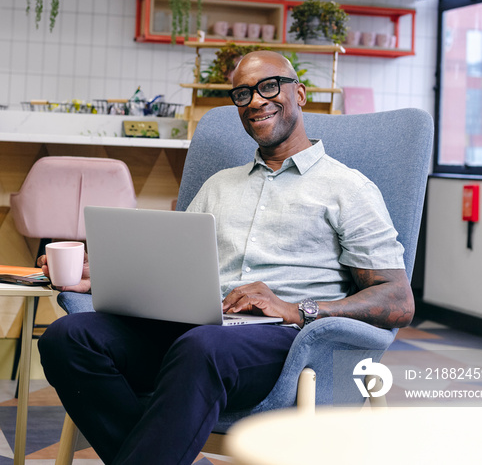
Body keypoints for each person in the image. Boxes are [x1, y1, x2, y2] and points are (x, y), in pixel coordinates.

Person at [38, 50, 414, 465]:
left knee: (203, 345)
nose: (255, 101)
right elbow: (172, 265)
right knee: (68, 336)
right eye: (242, 94)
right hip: (194, 334)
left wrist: (294, 309)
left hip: (280, 344)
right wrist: (107, 275)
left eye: (268, 86)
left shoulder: (348, 188)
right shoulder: (219, 186)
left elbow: (397, 300)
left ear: (300, 94)